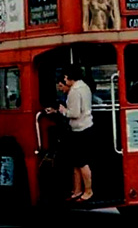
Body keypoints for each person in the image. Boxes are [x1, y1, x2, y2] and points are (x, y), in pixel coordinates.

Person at [58, 64, 94, 202]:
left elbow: (74, 113)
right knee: (77, 162)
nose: (65, 79)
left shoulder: (74, 91)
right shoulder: (85, 87)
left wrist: (62, 110)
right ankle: (78, 190)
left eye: (66, 76)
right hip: (87, 126)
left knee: (82, 162)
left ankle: (88, 191)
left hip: (79, 128)